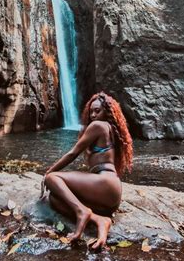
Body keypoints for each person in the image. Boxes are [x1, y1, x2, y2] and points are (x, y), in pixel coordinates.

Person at [42, 92, 133, 249]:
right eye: (91, 111)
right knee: (55, 199)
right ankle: (100, 220)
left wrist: (49, 172)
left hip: (104, 184)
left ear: (107, 111)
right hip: (110, 194)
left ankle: (81, 212)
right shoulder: (111, 129)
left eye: (97, 111)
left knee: (53, 179)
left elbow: (73, 153)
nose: (93, 115)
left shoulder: (98, 126)